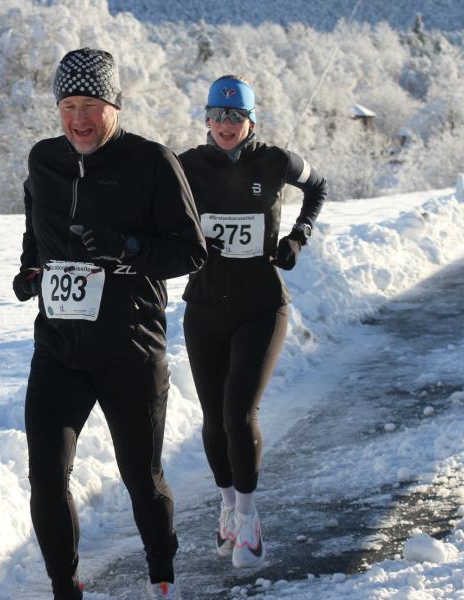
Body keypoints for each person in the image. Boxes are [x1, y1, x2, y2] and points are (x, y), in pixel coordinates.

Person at [12, 48, 207, 599]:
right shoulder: (42, 160)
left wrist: (127, 249)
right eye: (69, 104)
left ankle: (162, 577)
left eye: (91, 104)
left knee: (141, 478)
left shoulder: (152, 162)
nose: (79, 117)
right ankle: (64, 587)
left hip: (130, 348)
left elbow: (191, 252)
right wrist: (29, 272)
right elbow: (36, 232)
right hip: (58, 349)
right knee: (46, 476)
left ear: (113, 105)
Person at [178, 75, 327, 568]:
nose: (226, 125)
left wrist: (298, 237)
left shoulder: (276, 161)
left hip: (262, 306)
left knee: (239, 413)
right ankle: (225, 505)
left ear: (251, 121)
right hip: (203, 308)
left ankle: (249, 519)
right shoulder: (185, 167)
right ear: (206, 118)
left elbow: (318, 186)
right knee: (213, 419)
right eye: (218, 116)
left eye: (236, 116)